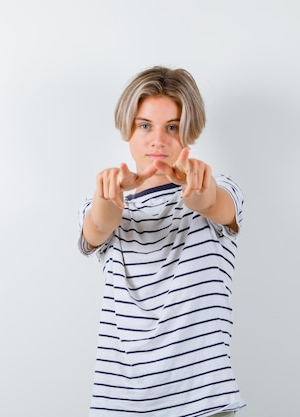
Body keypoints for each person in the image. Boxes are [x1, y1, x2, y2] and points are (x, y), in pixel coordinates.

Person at [77, 66, 246, 417]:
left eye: (172, 127)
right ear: (128, 130)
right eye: (145, 126)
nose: (158, 140)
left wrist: (199, 193)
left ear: (189, 132)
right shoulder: (103, 203)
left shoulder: (223, 188)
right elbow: (97, 227)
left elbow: (212, 202)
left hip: (204, 406)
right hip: (119, 406)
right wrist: (108, 201)